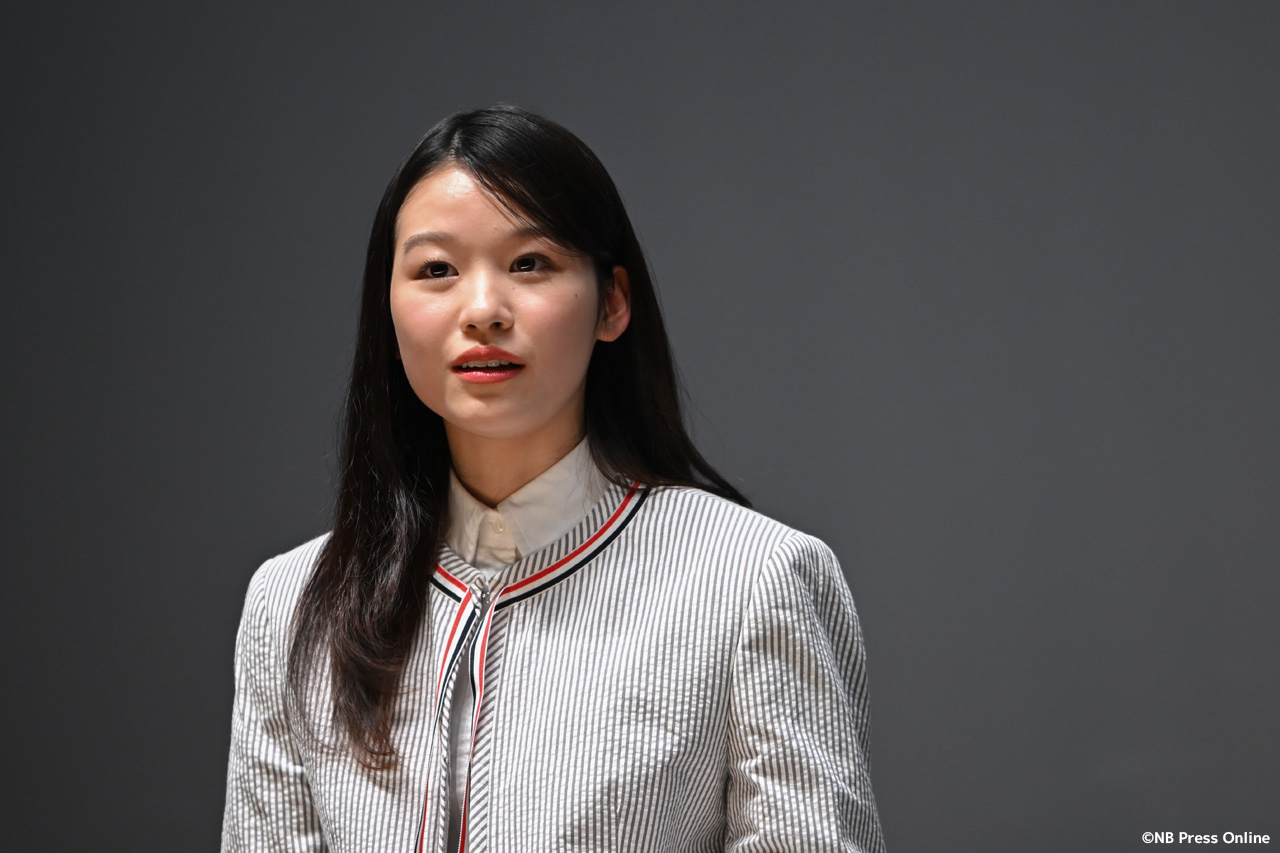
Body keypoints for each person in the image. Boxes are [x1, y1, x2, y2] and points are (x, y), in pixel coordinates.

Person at [221, 104, 885, 853]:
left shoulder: (752, 579)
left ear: (612, 302)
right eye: (436, 270)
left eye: (530, 262)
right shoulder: (294, 604)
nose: (482, 310)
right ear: (389, 309)